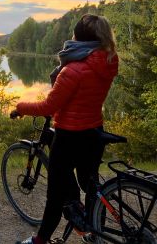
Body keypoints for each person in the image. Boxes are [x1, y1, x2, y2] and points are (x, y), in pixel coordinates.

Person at [11, 14, 119, 244]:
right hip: (94, 130)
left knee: (55, 194)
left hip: (70, 135)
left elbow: (49, 106)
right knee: (89, 184)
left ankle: (40, 240)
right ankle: (92, 228)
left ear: (77, 37)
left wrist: (21, 107)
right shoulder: (108, 60)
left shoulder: (72, 70)